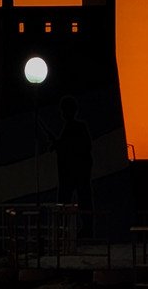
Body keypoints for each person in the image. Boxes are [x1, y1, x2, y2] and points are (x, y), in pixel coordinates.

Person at [54, 95, 93, 237]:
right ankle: (67, 229)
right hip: (73, 173)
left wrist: (61, 145)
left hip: (75, 173)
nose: (62, 113)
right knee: (71, 200)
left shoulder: (77, 127)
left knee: (79, 200)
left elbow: (82, 147)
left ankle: (84, 229)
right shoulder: (72, 127)